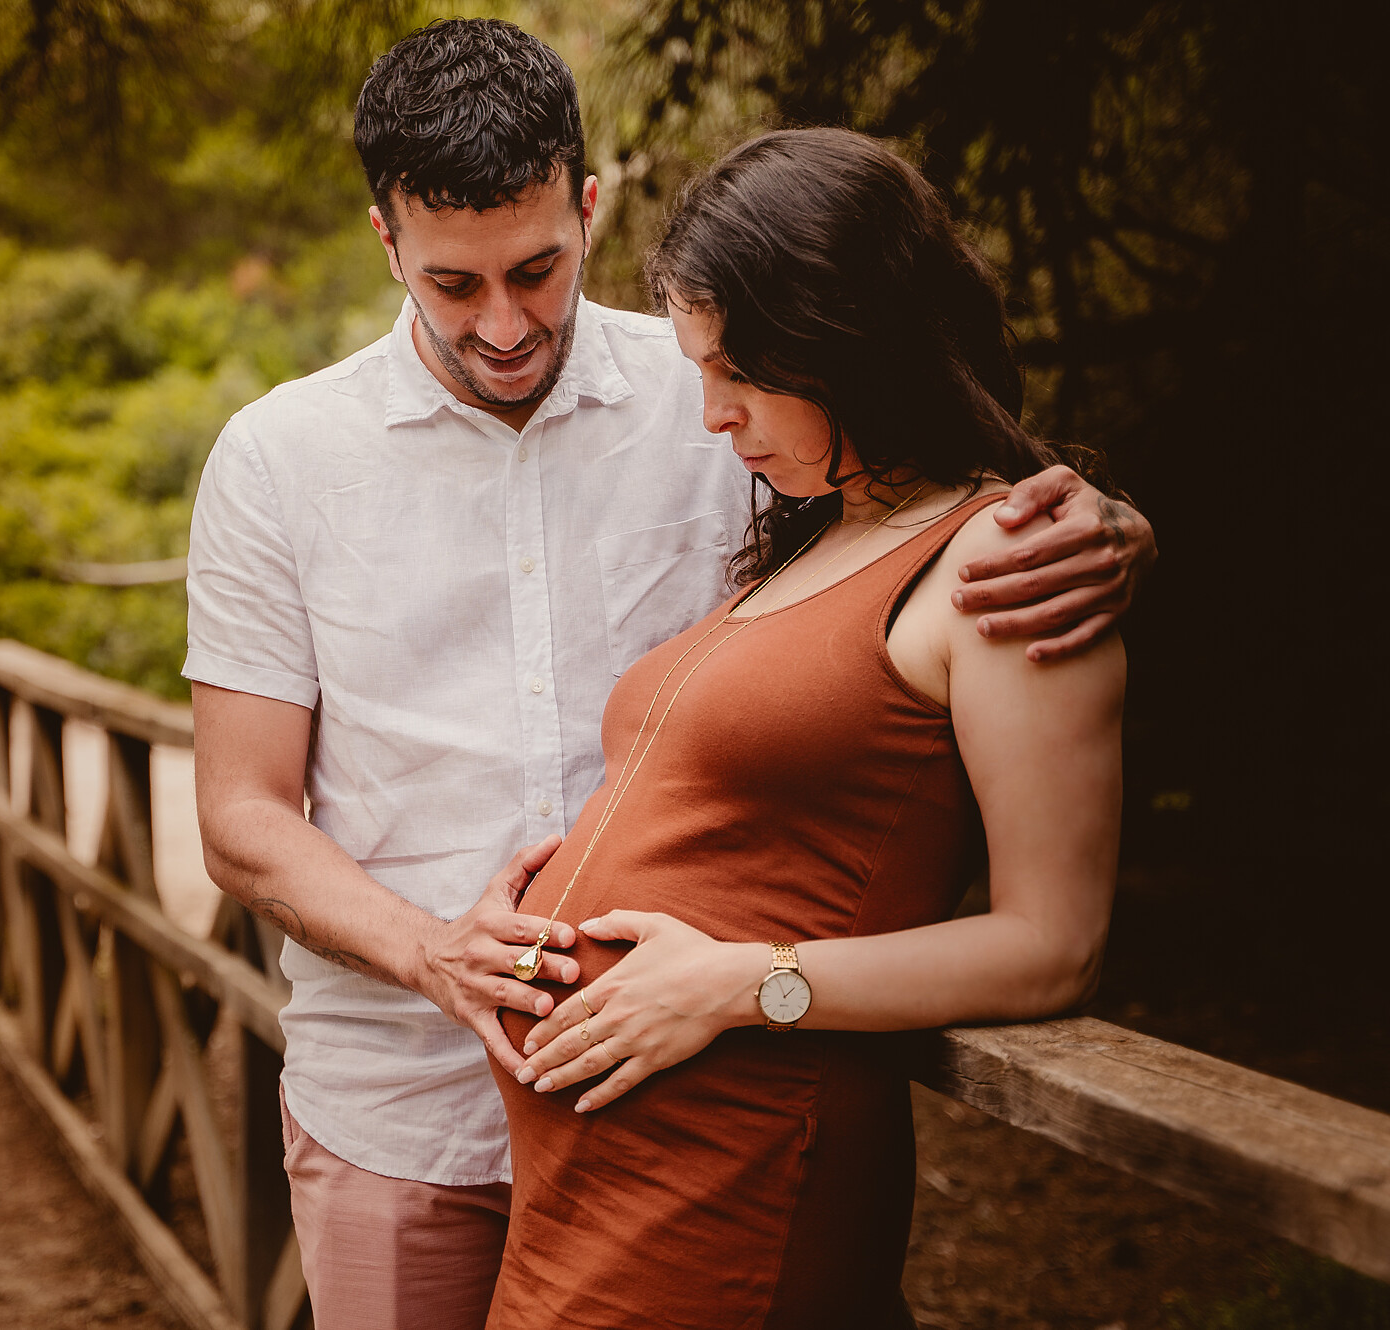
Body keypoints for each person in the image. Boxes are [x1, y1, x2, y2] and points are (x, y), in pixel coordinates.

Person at [186, 20, 1153, 1329]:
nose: (507, 322)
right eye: (454, 286)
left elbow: (920, 542)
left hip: (698, 1125)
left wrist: (1103, 523)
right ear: (386, 242)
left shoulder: (720, 384)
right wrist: (437, 955)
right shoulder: (277, 458)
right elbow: (243, 817)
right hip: (401, 1100)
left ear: (590, 204)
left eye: (537, 268)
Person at [484, 126, 1126, 1329]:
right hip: (583, 1201)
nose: (713, 417)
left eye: (739, 371)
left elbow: (1052, 946)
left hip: (731, 1195)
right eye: (698, 374)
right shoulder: (812, 533)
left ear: (850, 339)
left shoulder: (1004, 559)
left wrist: (743, 985)